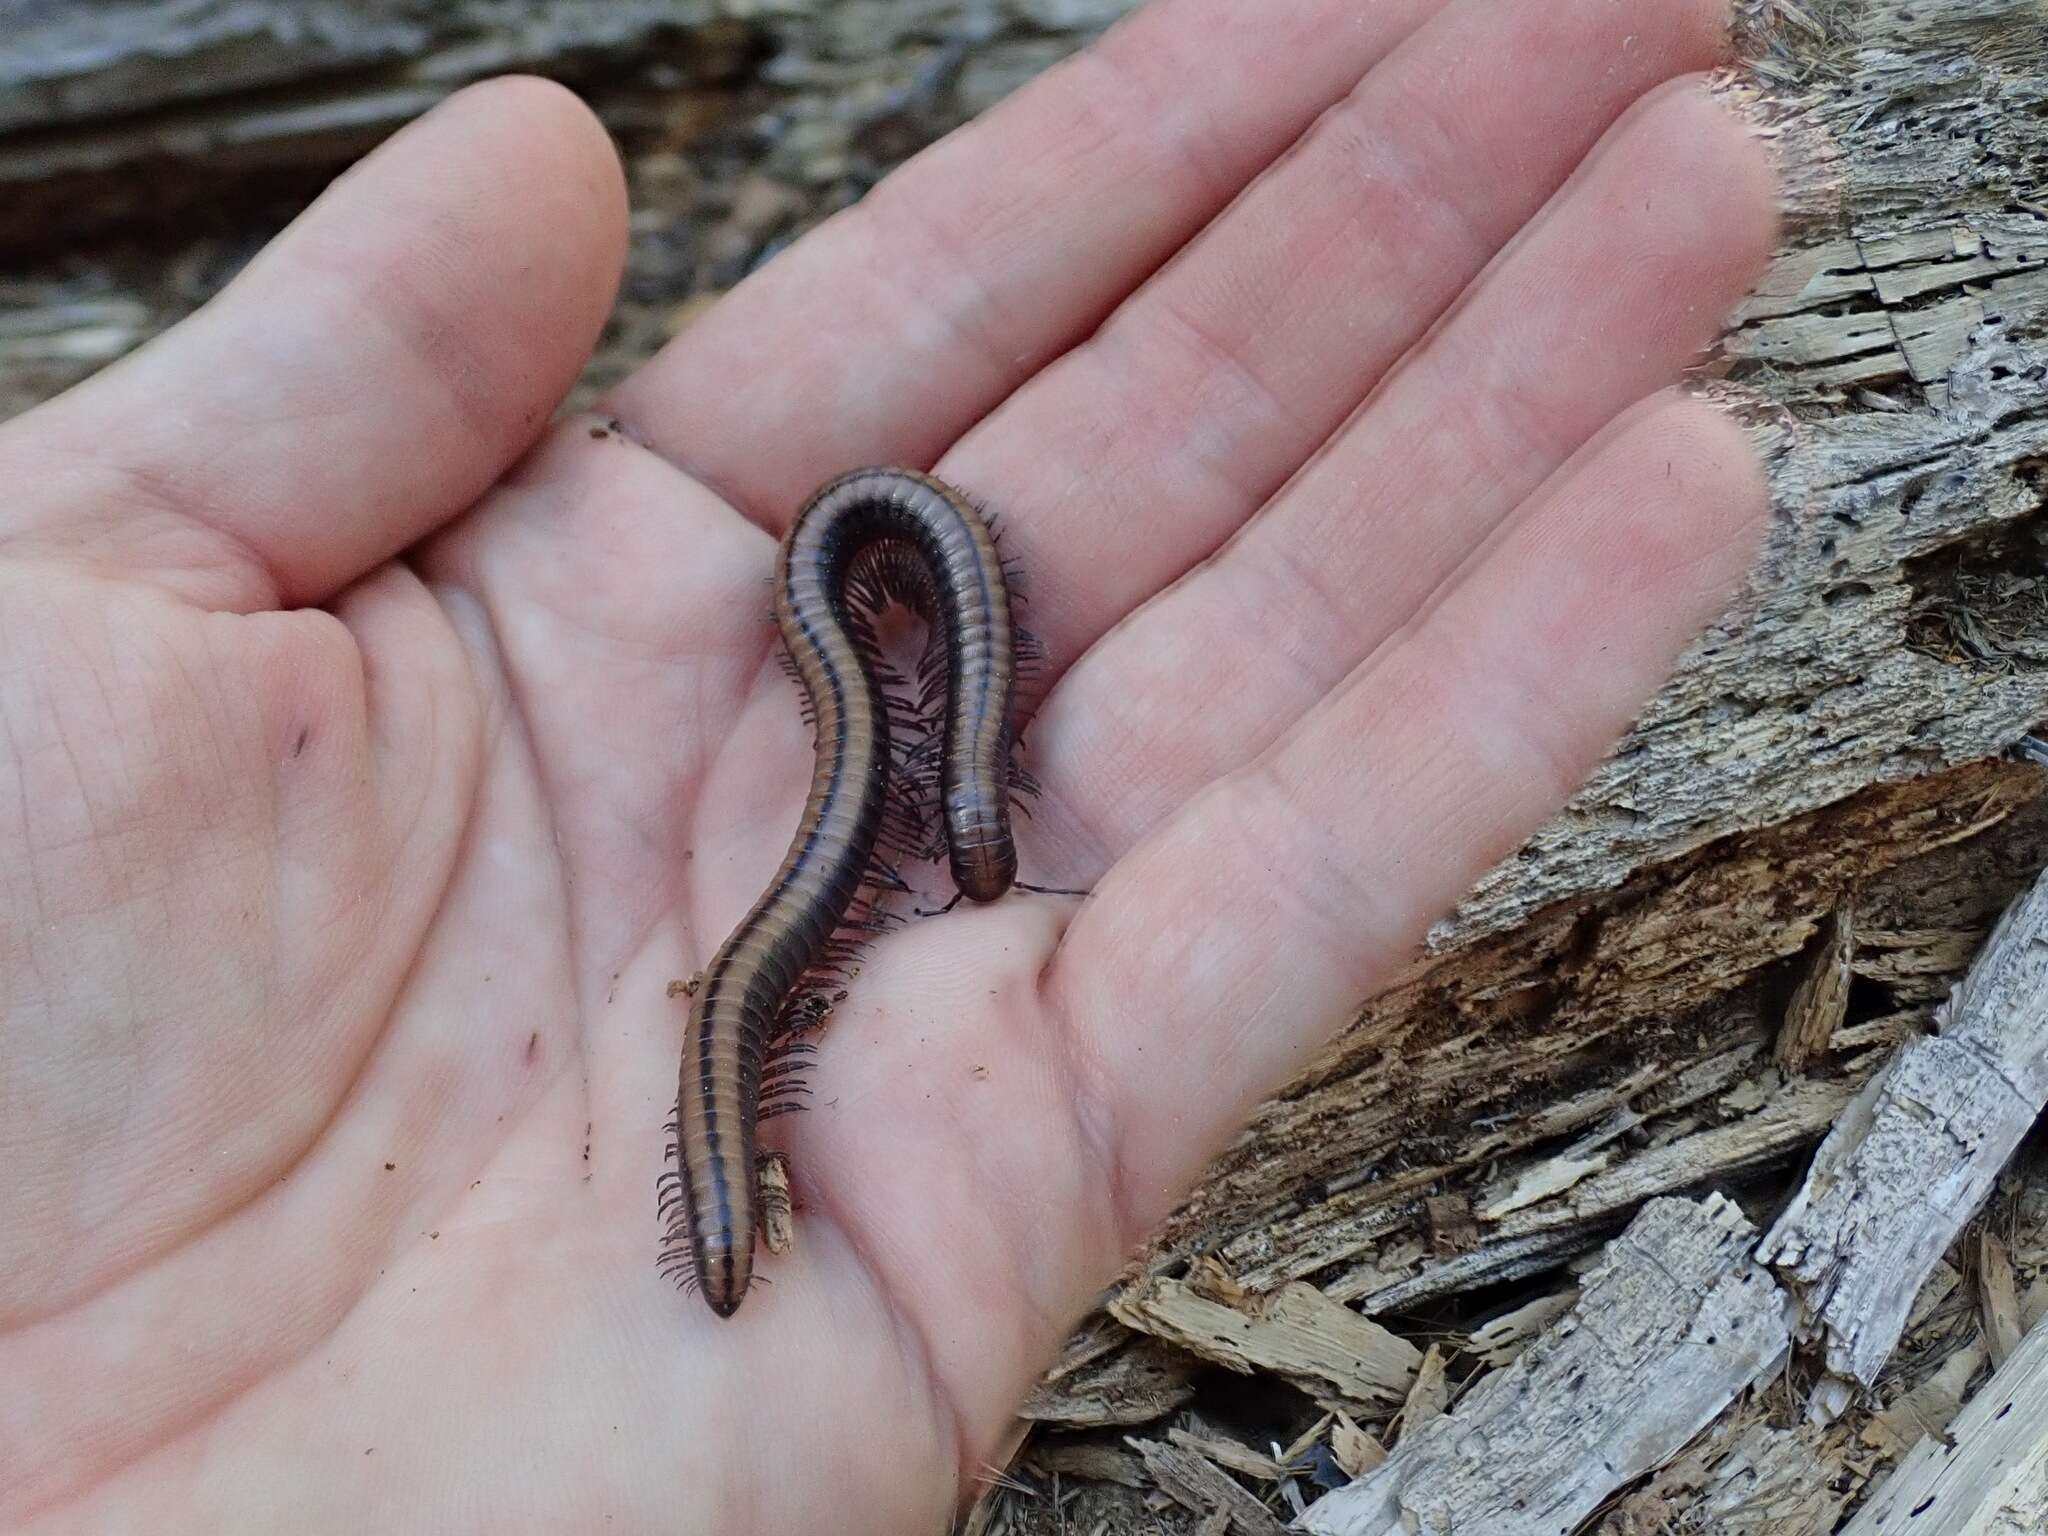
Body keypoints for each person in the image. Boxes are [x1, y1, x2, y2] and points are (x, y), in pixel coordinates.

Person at [0, 0, 1777, 1528]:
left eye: (974, 833)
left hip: (882, 555)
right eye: (733, 1233)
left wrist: (948, 812)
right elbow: (875, 860)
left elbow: (892, 841)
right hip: (872, 574)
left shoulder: (894, 757)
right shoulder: (839, 824)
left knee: (810, 893)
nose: (965, 847)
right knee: (796, 917)